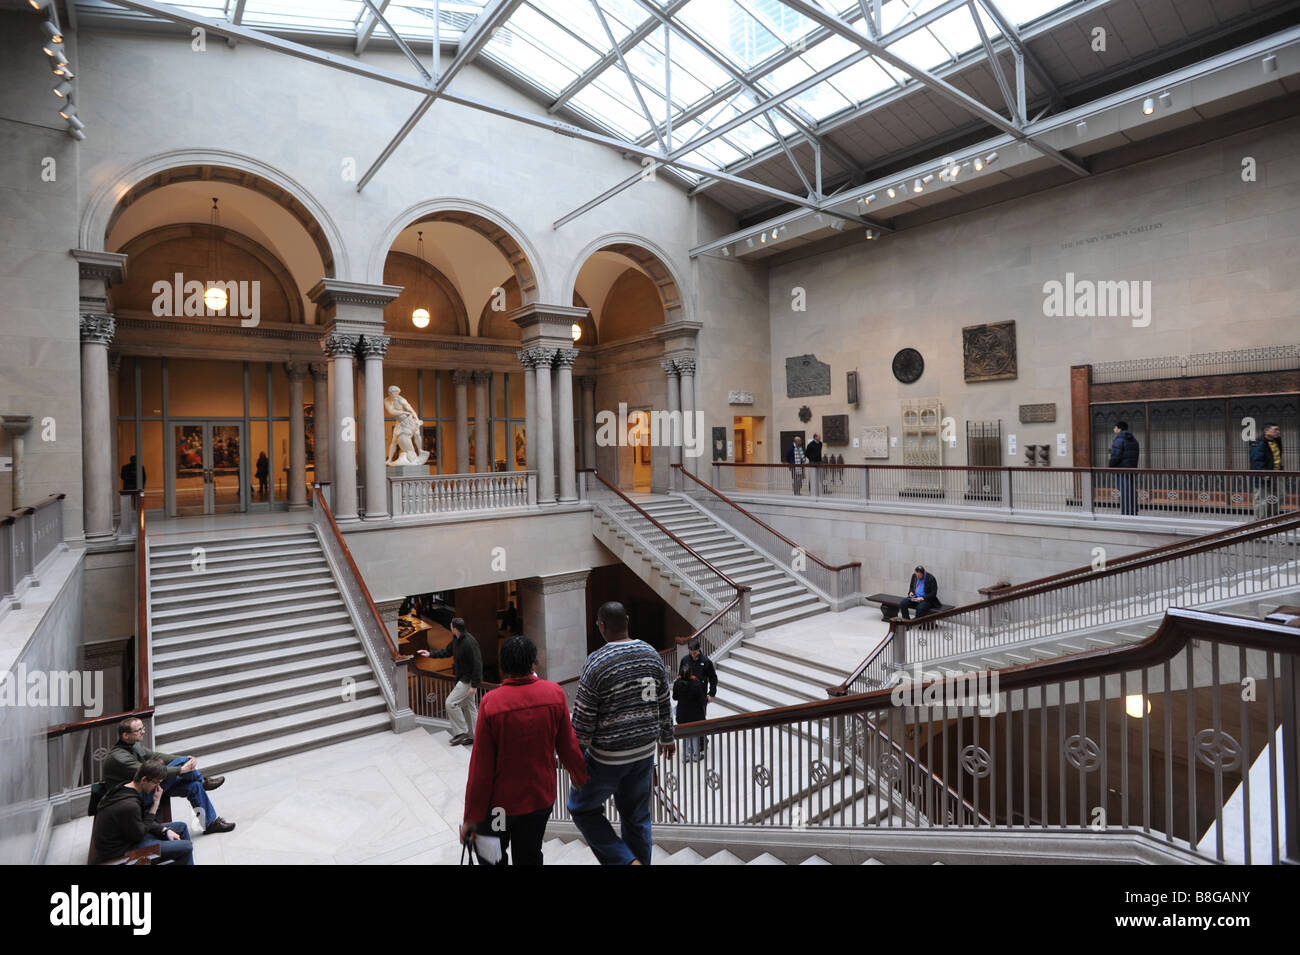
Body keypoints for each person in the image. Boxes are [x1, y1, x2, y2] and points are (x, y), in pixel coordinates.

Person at [460, 635, 589, 865]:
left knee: (492, 857)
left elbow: (481, 768)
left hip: (500, 807)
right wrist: (581, 778)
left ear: (503, 666)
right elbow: (568, 746)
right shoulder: (554, 694)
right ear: (533, 663)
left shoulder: (491, 703)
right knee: (529, 856)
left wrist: (471, 815)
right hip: (539, 799)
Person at [567, 601, 675, 865]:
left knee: (581, 808)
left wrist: (575, 759)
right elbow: (664, 699)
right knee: (637, 818)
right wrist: (667, 737)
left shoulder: (597, 663)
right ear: (627, 620)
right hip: (644, 753)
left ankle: (624, 861)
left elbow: (583, 721)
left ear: (602, 626)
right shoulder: (651, 653)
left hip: (607, 757)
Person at [102, 717, 235, 834]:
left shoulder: (133, 745)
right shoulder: (119, 757)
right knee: (183, 765)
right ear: (125, 735)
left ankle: (210, 824)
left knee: (193, 786)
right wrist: (181, 768)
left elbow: (156, 756)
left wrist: (184, 759)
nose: (143, 731)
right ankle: (203, 782)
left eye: (143, 728)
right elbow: (149, 772)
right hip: (135, 798)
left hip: (149, 788)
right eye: (139, 730)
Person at [89, 759, 195, 865]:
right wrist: (155, 804)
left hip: (128, 837)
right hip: (121, 851)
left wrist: (165, 830)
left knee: (181, 827)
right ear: (144, 779)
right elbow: (139, 834)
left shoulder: (125, 787)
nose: (158, 787)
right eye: (156, 782)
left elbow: (143, 821)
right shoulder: (130, 805)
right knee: (186, 847)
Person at [417, 617, 482, 746]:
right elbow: (446, 652)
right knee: (470, 707)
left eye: (451, 626)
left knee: (450, 703)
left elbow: (478, 664)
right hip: (462, 679)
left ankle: (461, 731)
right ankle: (474, 736)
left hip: (466, 680)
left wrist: (474, 685)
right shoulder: (456, 640)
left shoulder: (470, 642)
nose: (450, 627)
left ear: (455, 628)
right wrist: (430, 654)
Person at [673, 638, 718, 762]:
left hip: (700, 696)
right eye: (691, 652)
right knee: (689, 720)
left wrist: (711, 694)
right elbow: (680, 675)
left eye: (695, 652)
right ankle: (694, 747)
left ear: (699, 650)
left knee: (700, 719)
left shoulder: (706, 662)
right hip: (686, 695)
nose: (693, 654)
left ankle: (701, 744)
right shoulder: (685, 660)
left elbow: (713, 679)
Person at [1250, 422, 1284, 518]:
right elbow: (1256, 460)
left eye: (1278, 429)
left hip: (1277, 473)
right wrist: (1263, 472)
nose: (1278, 432)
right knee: (1261, 498)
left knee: (1278, 496)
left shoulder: (1277, 441)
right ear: (1266, 431)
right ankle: (1260, 520)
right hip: (1264, 474)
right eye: (1275, 430)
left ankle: (1273, 517)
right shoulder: (1258, 443)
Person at [1108, 421, 1141, 516]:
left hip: (1121, 470)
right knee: (1131, 491)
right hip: (1132, 470)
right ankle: (1133, 511)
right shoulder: (1133, 439)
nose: (1114, 429)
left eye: (1115, 428)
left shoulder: (1119, 439)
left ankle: (1126, 513)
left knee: (1124, 491)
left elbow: (1115, 456)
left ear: (1119, 429)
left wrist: (1111, 466)